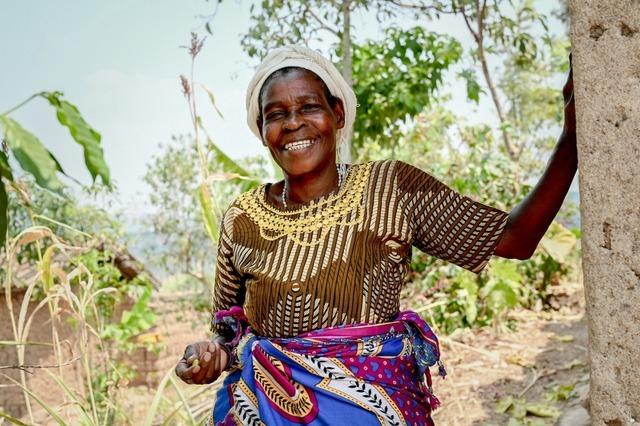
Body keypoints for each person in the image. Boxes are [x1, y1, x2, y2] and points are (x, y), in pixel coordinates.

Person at [175, 45, 577, 425]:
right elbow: (228, 333)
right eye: (276, 114)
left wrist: (572, 137)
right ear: (262, 130)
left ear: (338, 114)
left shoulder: (391, 188)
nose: (293, 122)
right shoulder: (242, 218)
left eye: (309, 107)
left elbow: (515, 239)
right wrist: (210, 355)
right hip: (266, 410)